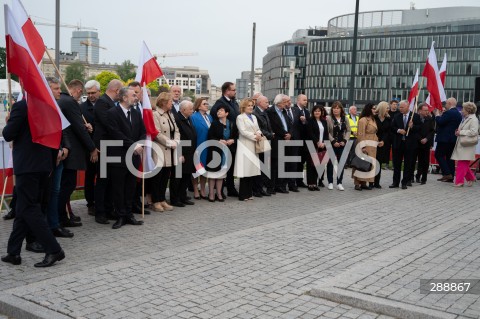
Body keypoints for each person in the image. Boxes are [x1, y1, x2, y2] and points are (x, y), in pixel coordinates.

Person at [1, 99, 65, 268]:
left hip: (28, 166)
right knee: (23, 208)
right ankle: (13, 252)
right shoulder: (47, 106)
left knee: (29, 208)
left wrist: (9, 122)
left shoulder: (22, 106)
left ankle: (53, 249)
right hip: (43, 165)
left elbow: (8, 134)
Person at [57, 80, 98, 228]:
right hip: (71, 151)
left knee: (64, 185)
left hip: (65, 148)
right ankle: (60, 217)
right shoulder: (70, 102)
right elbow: (78, 129)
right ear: (79, 90)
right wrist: (92, 148)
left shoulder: (62, 100)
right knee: (67, 185)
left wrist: (83, 126)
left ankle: (64, 215)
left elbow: (76, 125)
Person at [106, 87, 145, 229]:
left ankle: (129, 214)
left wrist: (139, 144)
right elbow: (115, 133)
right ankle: (120, 215)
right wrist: (134, 146)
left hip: (134, 158)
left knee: (130, 188)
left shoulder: (135, 113)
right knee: (118, 188)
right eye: (133, 95)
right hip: (118, 158)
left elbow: (143, 132)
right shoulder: (112, 113)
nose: (136, 97)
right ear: (124, 98)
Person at [93, 79, 122, 224]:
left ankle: (109, 209)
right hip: (104, 146)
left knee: (111, 179)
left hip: (112, 146)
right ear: (116, 90)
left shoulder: (109, 103)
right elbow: (108, 123)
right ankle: (100, 212)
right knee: (103, 180)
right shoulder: (102, 102)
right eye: (120, 91)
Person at [151, 92, 180, 211]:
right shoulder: (155, 114)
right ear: (163, 103)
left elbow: (176, 130)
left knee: (165, 177)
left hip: (171, 150)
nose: (172, 104)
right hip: (160, 148)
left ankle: (162, 199)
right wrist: (169, 143)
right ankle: (156, 201)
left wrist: (176, 142)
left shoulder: (170, 114)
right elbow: (156, 133)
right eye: (170, 102)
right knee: (157, 177)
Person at [210, 82, 240, 196]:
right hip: (222, 141)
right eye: (233, 90)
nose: (235, 92)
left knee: (230, 166)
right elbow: (215, 119)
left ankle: (231, 188)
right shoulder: (219, 103)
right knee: (220, 166)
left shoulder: (234, 103)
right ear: (227, 91)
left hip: (232, 140)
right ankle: (219, 191)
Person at [207, 104, 237, 202]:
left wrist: (233, 140)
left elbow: (236, 136)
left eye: (221, 110)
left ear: (227, 113)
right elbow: (210, 137)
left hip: (227, 152)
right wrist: (219, 140)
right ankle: (211, 194)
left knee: (222, 174)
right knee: (213, 174)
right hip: (215, 151)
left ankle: (219, 193)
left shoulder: (232, 124)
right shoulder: (214, 124)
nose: (218, 112)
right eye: (218, 111)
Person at [390, 100, 421, 189]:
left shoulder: (415, 116)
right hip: (398, 144)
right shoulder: (397, 116)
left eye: (402, 107)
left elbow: (419, 128)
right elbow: (392, 127)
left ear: (408, 107)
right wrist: (398, 130)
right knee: (397, 164)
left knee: (408, 164)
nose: (400, 109)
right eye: (400, 107)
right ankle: (395, 182)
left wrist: (412, 127)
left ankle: (405, 182)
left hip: (410, 144)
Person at [235, 99, 262, 201]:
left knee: (251, 170)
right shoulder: (240, 117)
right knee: (245, 170)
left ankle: (249, 194)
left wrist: (259, 134)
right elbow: (243, 131)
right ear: (243, 107)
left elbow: (258, 128)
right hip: (245, 145)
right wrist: (255, 136)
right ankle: (243, 195)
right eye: (248, 106)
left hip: (254, 145)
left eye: (252, 105)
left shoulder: (254, 117)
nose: (251, 107)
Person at [80, 80, 101, 214]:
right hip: (89, 148)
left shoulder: (105, 105)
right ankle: (90, 203)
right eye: (88, 93)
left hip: (103, 146)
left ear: (99, 91)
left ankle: (101, 200)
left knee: (103, 176)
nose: (91, 95)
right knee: (90, 176)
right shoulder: (81, 108)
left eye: (93, 92)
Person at [266, 94, 292, 194]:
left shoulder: (284, 111)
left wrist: (290, 134)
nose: (287, 104)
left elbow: (290, 124)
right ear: (279, 103)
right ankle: (271, 187)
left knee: (283, 165)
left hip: (286, 140)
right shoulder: (270, 111)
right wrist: (285, 134)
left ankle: (280, 186)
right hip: (276, 141)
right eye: (285, 102)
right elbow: (274, 126)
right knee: (274, 165)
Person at [173, 100, 197, 206]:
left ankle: (183, 196)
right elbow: (177, 137)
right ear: (183, 110)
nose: (192, 111)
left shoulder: (189, 118)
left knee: (186, 176)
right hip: (181, 152)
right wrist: (179, 153)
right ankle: (175, 198)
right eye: (190, 109)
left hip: (190, 152)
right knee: (178, 177)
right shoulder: (177, 119)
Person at [434, 97, 462, 183]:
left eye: (446, 103)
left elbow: (440, 122)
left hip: (444, 139)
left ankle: (447, 173)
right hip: (453, 139)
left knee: (438, 155)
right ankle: (451, 176)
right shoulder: (458, 113)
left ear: (449, 103)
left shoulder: (449, 112)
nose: (445, 105)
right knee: (450, 157)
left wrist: (437, 115)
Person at [451, 102, 479, 187]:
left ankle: (459, 182)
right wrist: (458, 132)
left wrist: (461, 132)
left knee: (461, 164)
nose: (462, 110)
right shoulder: (466, 118)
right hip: (463, 144)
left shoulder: (473, 119)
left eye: (463, 109)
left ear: (468, 110)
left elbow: (474, 132)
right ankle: (471, 178)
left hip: (467, 145)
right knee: (463, 163)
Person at [326, 101, 351, 191]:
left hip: (342, 144)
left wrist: (345, 140)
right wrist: (333, 141)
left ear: (341, 109)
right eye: (334, 108)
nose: (335, 110)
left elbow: (348, 130)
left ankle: (339, 182)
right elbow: (327, 132)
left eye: (337, 108)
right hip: (332, 144)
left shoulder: (345, 118)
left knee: (341, 164)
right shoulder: (328, 118)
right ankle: (330, 182)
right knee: (330, 164)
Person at [352, 103, 377, 191]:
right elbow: (361, 134)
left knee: (368, 165)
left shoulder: (373, 119)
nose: (375, 110)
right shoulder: (363, 120)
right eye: (373, 108)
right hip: (365, 143)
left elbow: (374, 132)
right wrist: (362, 146)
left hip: (373, 144)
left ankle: (364, 182)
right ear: (369, 109)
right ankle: (357, 183)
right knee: (360, 164)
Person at [190, 98, 211, 200]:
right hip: (198, 147)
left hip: (208, 147)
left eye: (207, 103)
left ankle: (203, 190)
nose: (207, 105)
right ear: (198, 106)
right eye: (204, 104)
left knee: (204, 169)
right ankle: (195, 189)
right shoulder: (193, 117)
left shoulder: (209, 117)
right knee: (196, 169)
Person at [252, 95, 273, 197]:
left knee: (264, 166)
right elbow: (259, 128)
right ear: (260, 103)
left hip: (265, 141)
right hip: (260, 142)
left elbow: (267, 126)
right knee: (259, 166)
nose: (268, 104)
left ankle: (260, 188)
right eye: (266, 102)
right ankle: (257, 189)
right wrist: (270, 134)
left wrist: (270, 133)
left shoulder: (264, 112)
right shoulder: (256, 113)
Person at [306, 104, 329, 191]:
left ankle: (315, 183)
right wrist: (317, 142)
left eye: (319, 111)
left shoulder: (324, 121)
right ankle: (310, 184)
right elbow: (310, 133)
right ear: (313, 112)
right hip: (312, 145)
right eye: (315, 111)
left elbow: (326, 133)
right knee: (311, 165)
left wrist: (324, 143)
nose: (317, 112)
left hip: (322, 146)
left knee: (318, 165)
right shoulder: (310, 120)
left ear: (321, 112)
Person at [414, 103, 435, 184]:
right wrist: (420, 139)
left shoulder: (429, 119)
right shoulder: (415, 118)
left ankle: (424, 178)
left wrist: (426, 139)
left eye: (427, 110)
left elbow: (432, 131)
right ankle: (417, 176)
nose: (427, 112)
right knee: (416, 160)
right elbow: (415, 131)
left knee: (425, 161)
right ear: (419, 111)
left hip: (426, 143)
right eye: (425, 110)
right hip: (417, 142)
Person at [293, 94, 310, 188]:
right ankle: (293, 181)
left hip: (304, 141)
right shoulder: (293, 110)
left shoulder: (306, 112)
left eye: (306, 100)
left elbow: (308, 124)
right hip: (295, 139)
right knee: (295, 161)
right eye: (304, 100)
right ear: (298, 100)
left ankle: (299, 181)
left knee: (301, 162)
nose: (306, 102)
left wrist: (304, 121)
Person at [284, 96, 301, 192]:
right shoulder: (282, 112)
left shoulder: (296, 111)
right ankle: (283, 183)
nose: (288, 102)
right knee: (284, 163)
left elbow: (299, 125)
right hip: (285, 140)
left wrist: (303, 121)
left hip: (295, 140)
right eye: (286, 101)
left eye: (289, 100)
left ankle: (292, 183)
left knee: (293, 163)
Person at [373, 101, 391, 188]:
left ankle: (377, 182)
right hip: (373, 142)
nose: (388, 109)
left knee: (379, 163)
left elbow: (388, 132)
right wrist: (376, 140)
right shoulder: (374, 118)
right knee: (372, 163)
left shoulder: (388, 119)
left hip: (382, 143)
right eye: (387, 108)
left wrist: (383, 141)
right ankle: (370, 182)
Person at [386, 100, 400, 169]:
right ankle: (386, 164)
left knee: (395, 150)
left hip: (395, 134)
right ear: (390, 105)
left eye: (396, 105)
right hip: (388, 134)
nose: (395, 106)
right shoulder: (387, 113)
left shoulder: (398, 113)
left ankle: (394, 165)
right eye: (394, 104)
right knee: (387, 149)